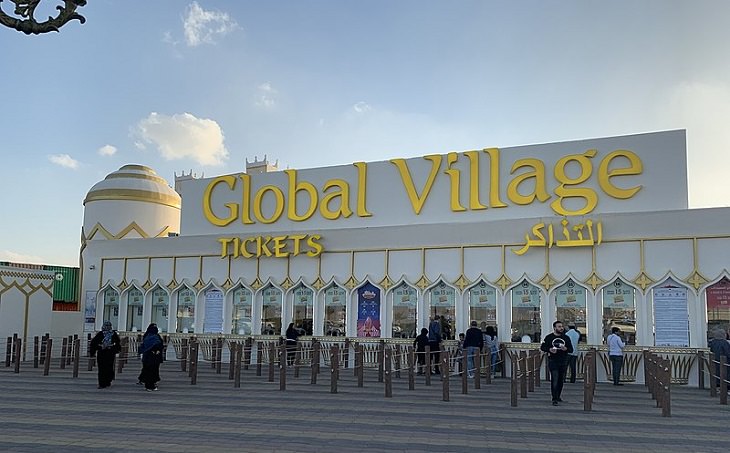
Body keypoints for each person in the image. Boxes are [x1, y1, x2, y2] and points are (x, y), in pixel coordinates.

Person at [540, 320, 573, 405]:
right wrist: (549, 349)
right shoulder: (549, 337)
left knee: (560, 380)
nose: (561, 328)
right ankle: (554, 398)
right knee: (554, 378)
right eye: (559, 327)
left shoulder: (566, 338)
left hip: (563, 360)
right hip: (553, 360)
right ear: (554, 328)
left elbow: (571, 349)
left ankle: (558, 396)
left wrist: (565, 349)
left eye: (562, 326)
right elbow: (543, 347)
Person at [89, 321, 121, 389]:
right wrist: (98, 348)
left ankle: (108, 381)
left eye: (108, 326)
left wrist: (114, 349)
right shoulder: (100, 334)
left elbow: (117, 344)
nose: (107, 327)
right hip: (102, 353)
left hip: (110, 353)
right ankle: (102, 383)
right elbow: (94, 344)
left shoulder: (113, 334)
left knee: (109, 368)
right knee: (101, 369)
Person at [138, 323, 164, 391]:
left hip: (148, 357)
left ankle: (148, 383)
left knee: (149, 370)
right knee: (151, 370)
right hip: (153, 357)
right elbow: (160, 345)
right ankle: (150, 385)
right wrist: (157, 350)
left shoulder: (147, 336)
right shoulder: (155, 337)